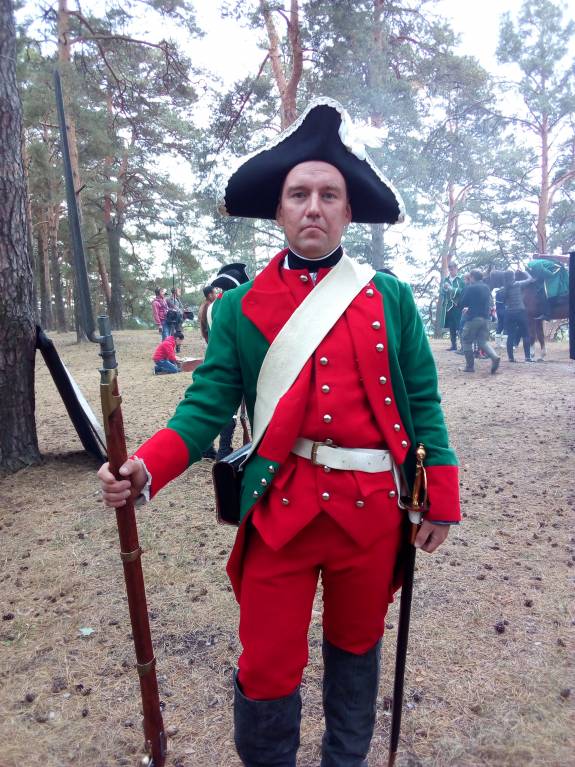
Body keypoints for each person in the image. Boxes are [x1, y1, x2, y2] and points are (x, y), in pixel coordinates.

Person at [98, 98, 461, 767]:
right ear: (280, 211)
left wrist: (439, 495)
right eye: (299, 195)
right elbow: (205, 407)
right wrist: (146, 465)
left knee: (357, 649)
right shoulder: (239, 308)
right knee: (266, 664)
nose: (313, 207)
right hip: (279, 510)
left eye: (329, 195)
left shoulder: (391, 298)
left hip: (371, 514)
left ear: (348, 212)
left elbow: (423, 403)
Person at [201, 263, 251, 461]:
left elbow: (207, 334)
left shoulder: (212, 306)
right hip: (235, 363)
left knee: (212, 405)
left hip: (213, 359)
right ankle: (224, 451)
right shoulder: (237, 304)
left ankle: (207, 447)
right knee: (230, 411)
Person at [459, 269, 500, 374]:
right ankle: (494, 356)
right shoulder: (486, 287)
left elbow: (462, 302)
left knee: (466, 341)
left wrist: (466, 308)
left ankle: (469, 367)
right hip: (485, 318)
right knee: (482, 341)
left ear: (472, 277)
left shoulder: (470, 288)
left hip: (473, 318)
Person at [503, 270, 535, 363]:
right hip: (520, 312)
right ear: (513, 276)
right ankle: (527, 358)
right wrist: (526, 272)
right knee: (525, 334)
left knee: (510, 336)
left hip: (509, 313)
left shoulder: (504, 288)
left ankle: (511, 358)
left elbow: (505, 302)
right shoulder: (518, 284)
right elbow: (530, 279)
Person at [440, 262, 465, 350]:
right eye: (450, 270)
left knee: (460, 326)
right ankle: (453, 345)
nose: (451, 271)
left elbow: (463, 290)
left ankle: (463, 346)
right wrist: (444, 288)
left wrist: (451, 289)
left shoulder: (461, 279)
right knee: (451, 326)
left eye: (452, 269)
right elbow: (442, 292)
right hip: (449, 306)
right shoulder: (446, 280)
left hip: (458, 306)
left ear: (456, 268)